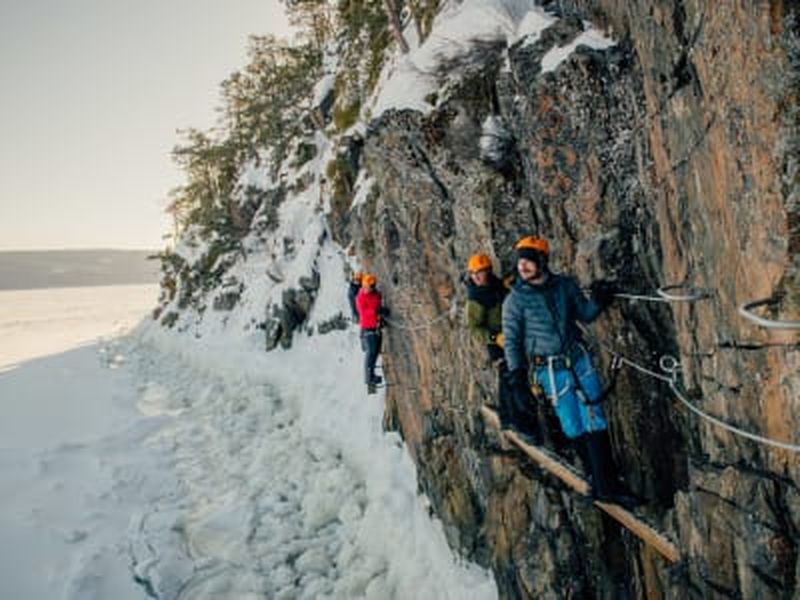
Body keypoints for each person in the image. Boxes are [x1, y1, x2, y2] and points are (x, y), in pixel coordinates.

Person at [502, 235, 638, 507]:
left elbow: (584, 314)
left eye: (528, 261)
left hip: (577, 360)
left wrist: (599, 300)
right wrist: (516, 377)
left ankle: (607, 485)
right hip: (551, 371)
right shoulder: (515, 301)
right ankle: (595, 478)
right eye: (520, 262)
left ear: (542, 261)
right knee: (572, 424)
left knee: (594, 419)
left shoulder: (564, 286)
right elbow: (512, 341)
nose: (523, 267)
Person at [464, 253, 540, 444]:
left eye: (480, 273)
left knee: (509, 377)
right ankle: (519, 422)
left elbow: (503, 291)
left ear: (488, 272)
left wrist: (509, 285)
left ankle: (508, 418)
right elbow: (474, 327)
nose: (477, 277)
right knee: (511, 377)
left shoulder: (495, 286)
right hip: (498, 341)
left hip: (510, 335)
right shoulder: (475, 299)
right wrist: (494, 337)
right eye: (474, 274)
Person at [355, 273, 384, 389]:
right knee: (371, 351)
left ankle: (371, 375)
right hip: (367, 328)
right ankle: (369, 377)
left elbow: (378, 301)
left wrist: (380, 315)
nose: (365, 289)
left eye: (368, 287)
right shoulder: (360, 297)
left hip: (375, 326)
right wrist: (376, 311)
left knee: (376, 351)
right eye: (364, 287)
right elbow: (363, 312)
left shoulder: (376, 294)